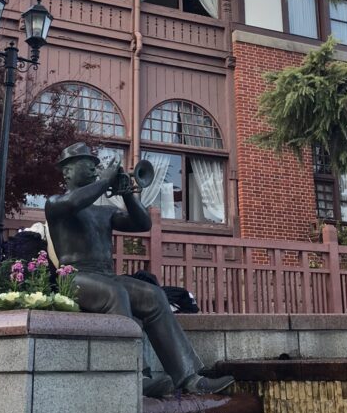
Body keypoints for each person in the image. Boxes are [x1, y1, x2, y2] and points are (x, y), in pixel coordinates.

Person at [45, 143, 233, 395]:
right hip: (75, 278)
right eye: (86, 164)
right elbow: (73, 203)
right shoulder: (56, 203)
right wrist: (105, 181)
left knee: (154, 294)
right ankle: (137, 375)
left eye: (94, 164)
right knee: (115, 293)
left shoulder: (105, 211)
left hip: (104, 277)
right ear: (66, 172)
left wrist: (127, 195)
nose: (93, 168)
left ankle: (189, 377)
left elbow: (142, 223)